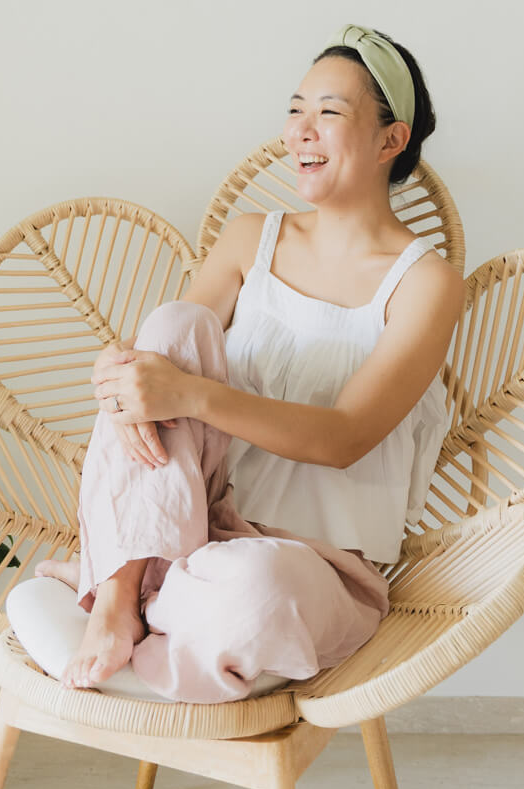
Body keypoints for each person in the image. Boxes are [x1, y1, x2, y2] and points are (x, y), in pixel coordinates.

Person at [29, 24, 464, 703]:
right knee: (173, 327)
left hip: (314, 567)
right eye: (295, 110)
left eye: (328, 113)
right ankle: (117, 598)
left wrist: (190, 396)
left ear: (391, 139)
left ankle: (135, 588)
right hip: (201, 523)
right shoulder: (248, 239)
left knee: (259, 593)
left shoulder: (426, 284)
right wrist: (123, 384)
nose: (300, 131)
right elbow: (163, 369)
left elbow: (345, 436)